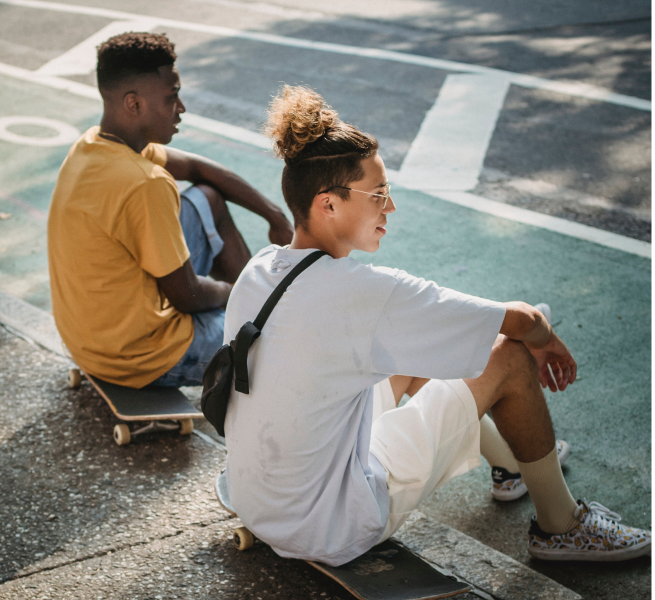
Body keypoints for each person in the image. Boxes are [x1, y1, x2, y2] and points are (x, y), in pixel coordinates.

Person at [222, 85, 652, 565]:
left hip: (258, 499)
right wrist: (543, 339)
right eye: (379, 194)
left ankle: (510, 466)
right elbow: (522, 321)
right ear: (329, 204)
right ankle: (560, 527)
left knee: (416, 348)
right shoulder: (366, 295)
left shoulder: (259, 269)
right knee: (508, 356)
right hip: (329, 521)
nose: (391, 208)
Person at [48, 33, 293, 388]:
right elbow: (188, 297)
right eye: (172, 96)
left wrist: (274, 215)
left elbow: (197, 170)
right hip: (140, 358)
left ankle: (256, 309)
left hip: (88, 341)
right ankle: (256, 315)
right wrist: (237, 290)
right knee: (278, 342)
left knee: (208, 197)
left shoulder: (93, 145)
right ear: (134, 104)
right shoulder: (144, 183)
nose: (181, 108)